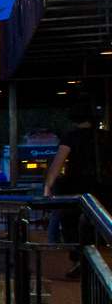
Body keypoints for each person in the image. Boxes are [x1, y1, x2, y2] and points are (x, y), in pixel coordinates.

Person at [45, 107, 104, 278]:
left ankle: (79, 259)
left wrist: (48, 186)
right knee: (98, 223)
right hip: (102, 187)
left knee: (71, 223)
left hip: (77, 186)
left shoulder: (70, 137)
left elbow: (58, 163)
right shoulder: (104, 136)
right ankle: (97, 259)